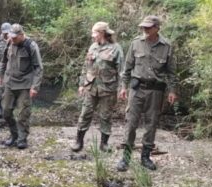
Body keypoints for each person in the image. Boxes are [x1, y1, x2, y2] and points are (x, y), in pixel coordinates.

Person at [117, 15, 179, 171]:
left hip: (155, 91)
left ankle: (145, 157)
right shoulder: (136, 43)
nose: (144, 29)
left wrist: (172, 91)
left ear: (157, 28)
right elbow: (127, 68)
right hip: (136, 89)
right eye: (143, 27)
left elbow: (172, 73)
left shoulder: (167, 46)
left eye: (148, 27)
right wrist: (123, 87)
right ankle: (125, 158)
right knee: (131, 122)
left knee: (151, 124)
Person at [71, 22, 123, 153]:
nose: (93, 36)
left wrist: (123, 88)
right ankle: (79, 141)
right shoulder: (93, 47)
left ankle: (104, 144)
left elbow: (122, 70)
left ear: (102, 33)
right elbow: (86, 66)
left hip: (108, 89)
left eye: (95, 33)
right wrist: (82, 84)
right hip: (91, 87)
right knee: (85, 114)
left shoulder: (116, 48)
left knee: (105, 116)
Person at [0, 24, 43, 149]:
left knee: (23, 114)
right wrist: (1, 73)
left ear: (22, 35)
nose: (12, 39)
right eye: (11, 36)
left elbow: (38, 68)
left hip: (25, 84)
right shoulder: (9, 43)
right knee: (6, 112)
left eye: (15, 37)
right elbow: (4, 60)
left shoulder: (31, 46)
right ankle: (14, 135)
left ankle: (22, 139)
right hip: (9, 82)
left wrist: (35, 87)